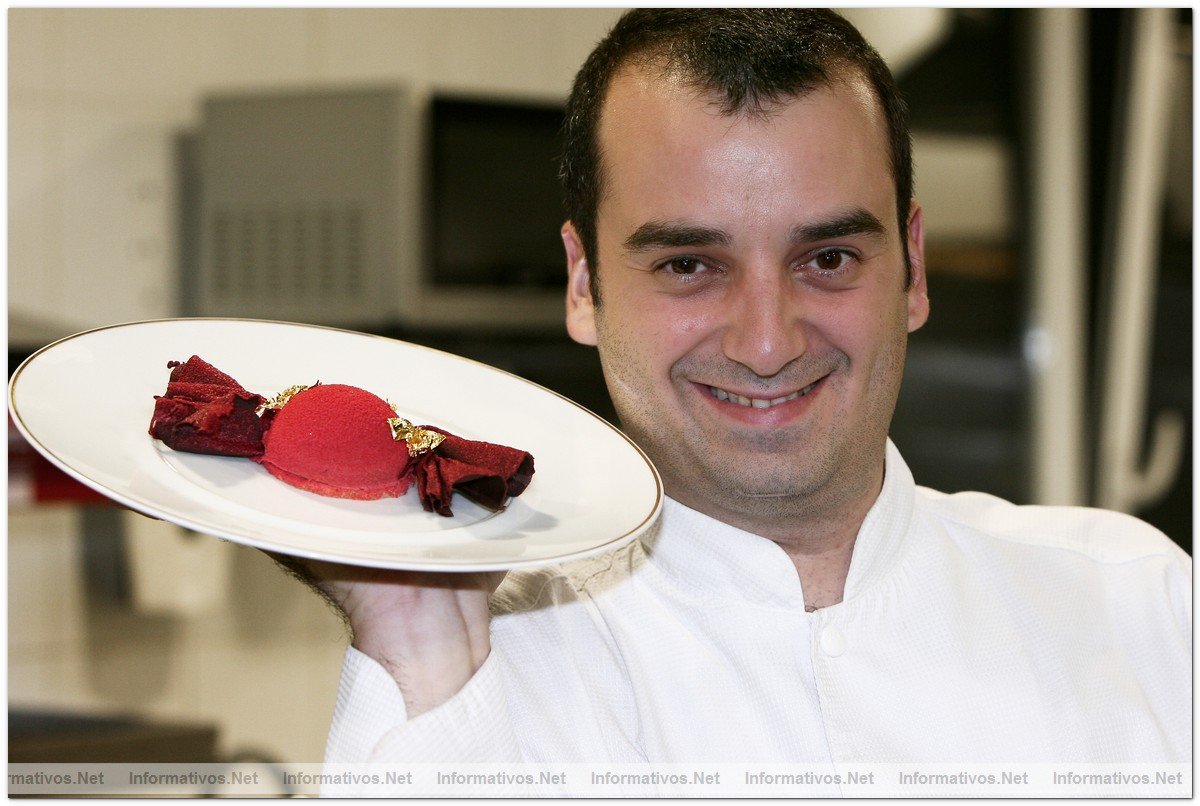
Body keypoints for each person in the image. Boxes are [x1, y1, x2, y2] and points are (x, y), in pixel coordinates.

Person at [299, 8, 1189, 793]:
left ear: (912, 268)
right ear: (583, 282)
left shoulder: (1138, 604)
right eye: (689, 265)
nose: (768, 343)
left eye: (829, 259)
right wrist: (418, 655)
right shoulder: (479, 666)